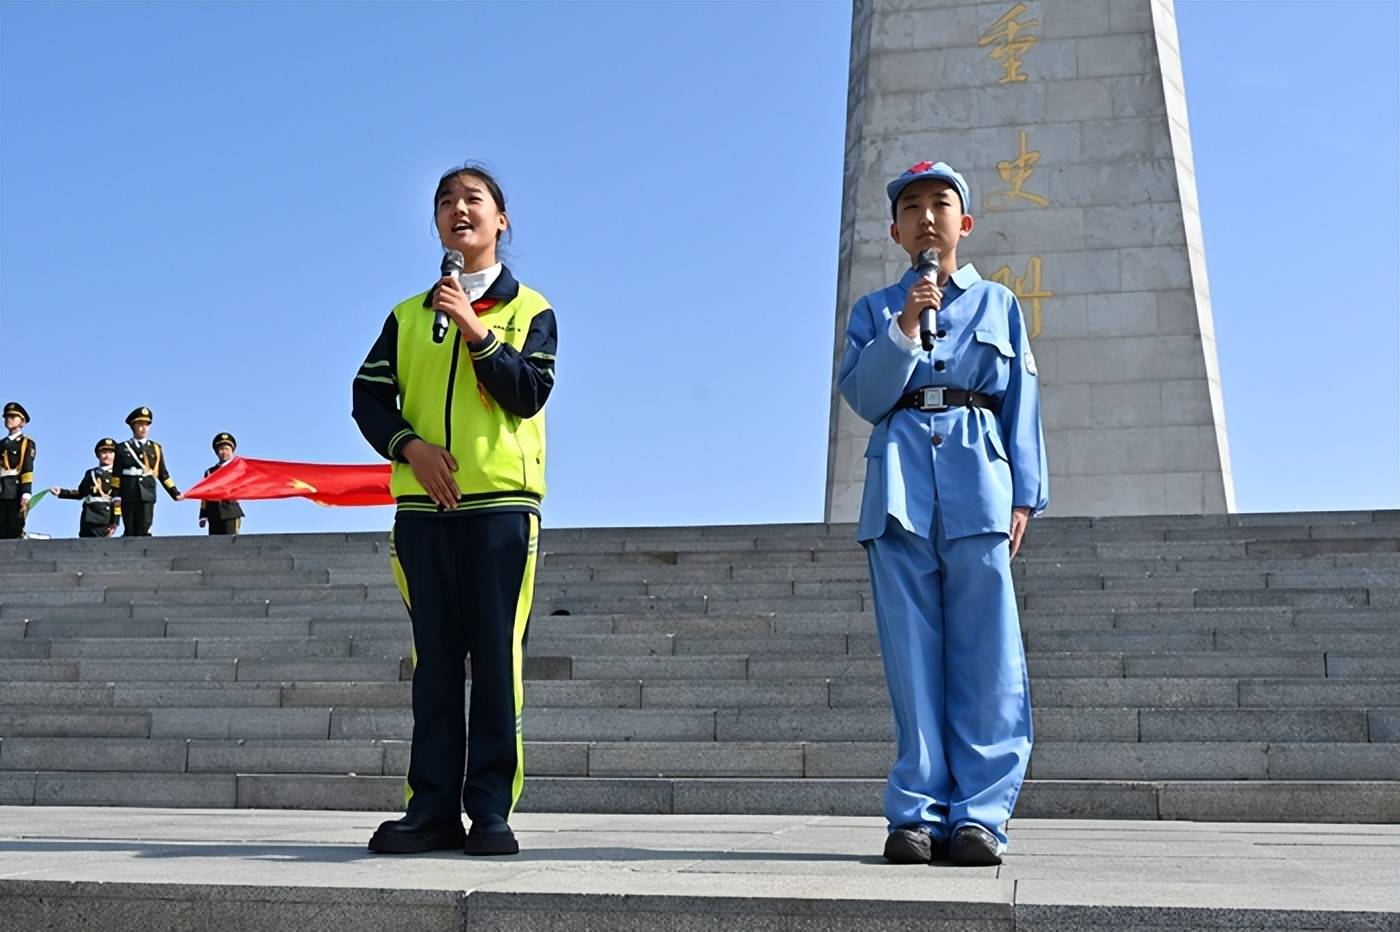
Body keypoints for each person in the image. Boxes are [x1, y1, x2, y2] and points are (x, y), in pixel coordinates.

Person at [838, 161, 1048, 867]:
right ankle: (918, 813)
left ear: (965, 223)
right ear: (895, 231)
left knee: (988, 655)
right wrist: (905, 325)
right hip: (898, 490)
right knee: (911, 658)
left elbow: (1022, 398)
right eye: (912, 207)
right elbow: (865, 398)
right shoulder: (875, 310)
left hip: (978, 482)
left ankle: (981, 815)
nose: (927, 217)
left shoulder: (998, 303)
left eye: (940, 204)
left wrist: (1025, 493)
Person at [353, 163, 557, 857]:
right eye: (445, 202)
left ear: (501, 220)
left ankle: (490, 809)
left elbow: (528, 393)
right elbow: (367, 397)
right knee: (435, 664)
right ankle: (432, 808)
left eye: (473, 199)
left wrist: (476, 331)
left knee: (496, 662)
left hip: (500, 508)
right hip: (422, 511)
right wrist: (409, 447)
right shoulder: (408, 315)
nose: (457, 209)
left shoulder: (531, 309)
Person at [110, 406, 182, 537]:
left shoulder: (156, 448)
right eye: (140, 425)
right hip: (128, 492)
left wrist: (174, 492)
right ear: (133, 427)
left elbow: (163, 474)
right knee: (130, 529)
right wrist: (116, 495)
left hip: (147, 493)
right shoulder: (122, 448)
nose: (143, 428)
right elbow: (116, 476)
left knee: (144, 528)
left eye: (146, 425)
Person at [50, 438, 121, 537]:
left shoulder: (117, 475)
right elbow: (81, 492)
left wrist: (115, 522)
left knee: (99, 544)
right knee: (84, 543)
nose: (107, 456)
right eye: (104, 452)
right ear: (98, 455)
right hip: (88, 515)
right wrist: (61, 492)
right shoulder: (91, 473)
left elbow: (118, 501)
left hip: (104, 516)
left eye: (111, 453)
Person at [0, 402, 36, 539]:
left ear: (22, 421)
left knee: (14, 529)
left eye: (13, 417)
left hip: (15, 492)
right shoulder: (1, 444)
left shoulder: (26, 443)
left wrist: (26, 492)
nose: (8, 419)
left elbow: (27, 468)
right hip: (1, 490)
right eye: (6, 417)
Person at [199, 432, 244, 535]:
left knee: (231, 542)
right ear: (217, 452)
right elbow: (204, 496)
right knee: (215, 543)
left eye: (227, 449)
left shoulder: (237, 469)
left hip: (230, 513)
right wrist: (203, 515)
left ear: (232, 451)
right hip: (213, 514)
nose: (224, 452)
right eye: (221, 449)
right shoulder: (210, 472)